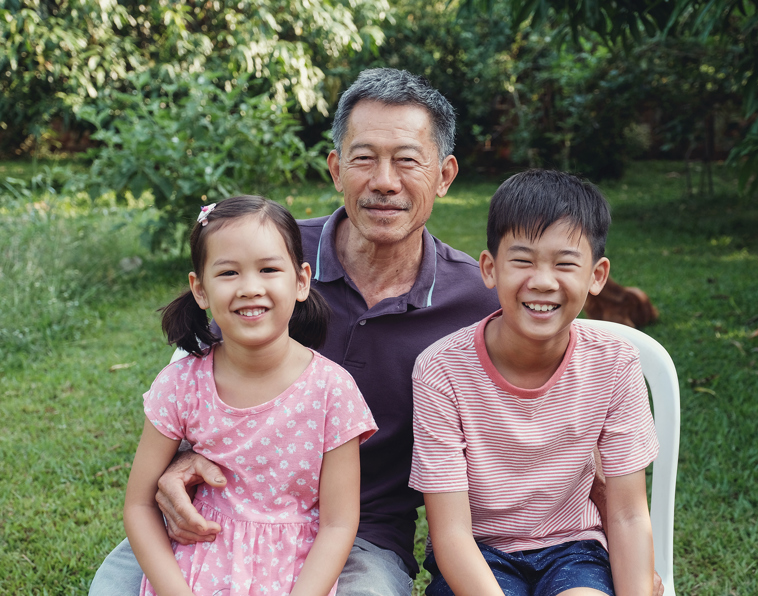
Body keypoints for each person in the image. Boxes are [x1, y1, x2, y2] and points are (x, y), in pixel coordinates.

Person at [90, 69, 663, 596]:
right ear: (337, 168)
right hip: (223, 513)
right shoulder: (268, 262)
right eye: (364, 158)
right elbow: (192, 377)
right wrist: (177, 464)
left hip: (362, 533)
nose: (384, 182)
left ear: (444, 176)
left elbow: (564, 405)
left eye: (408, 161)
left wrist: (615, 559)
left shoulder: (482, 298)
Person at [409, 169, 660, 596]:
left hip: (573, 549)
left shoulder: (615, 363)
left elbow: (628, 514)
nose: (542, 281)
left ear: (597, 275)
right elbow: (450, 532)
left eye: (565, 263)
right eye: (522, 260)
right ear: (489, 268)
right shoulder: (441, 371)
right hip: (478, 553)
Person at [123, 195, 377, 596]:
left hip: (297, 575)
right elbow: (138, 506)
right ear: (200, 289)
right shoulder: (181, 384)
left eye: (269, 269)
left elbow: (338, 523)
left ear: (301, 281)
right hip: (196, 568)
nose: (250, 288)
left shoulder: (333, 390)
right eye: (228, 273)